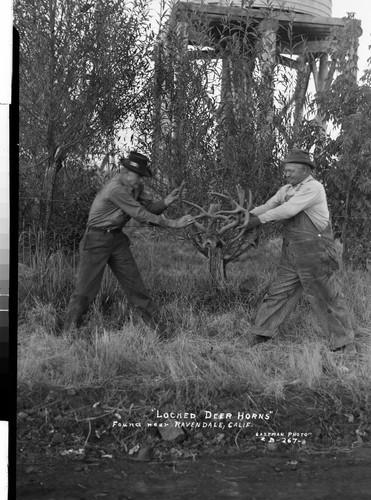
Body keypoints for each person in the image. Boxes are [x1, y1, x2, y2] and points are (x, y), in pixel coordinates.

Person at [64, 151, 193, 334]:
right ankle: (68, 332)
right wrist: (173, 223)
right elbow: (140, 215)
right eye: (136, 175)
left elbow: (149, 208)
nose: (139, 180)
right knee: (85, 292)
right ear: (126, 171)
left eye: (141, 177)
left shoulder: (136, 187)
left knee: (136, 287)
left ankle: (159, 331)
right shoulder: (116, 189)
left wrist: (166, 201)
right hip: (96, 239)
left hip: (116, 239)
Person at [245, 147, 356, 355]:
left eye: (291, 171)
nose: (286, 174)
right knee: (279, 291)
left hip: (316, 251)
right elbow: (270, 205)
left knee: (326, 295)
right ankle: (262, 333)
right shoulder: (287, 189)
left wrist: (257, 221)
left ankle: (343, 343)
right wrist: (247, 215)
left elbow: (289, 210)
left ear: (305, 170)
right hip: (292, 250)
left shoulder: (313, 188)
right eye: (285, 170)